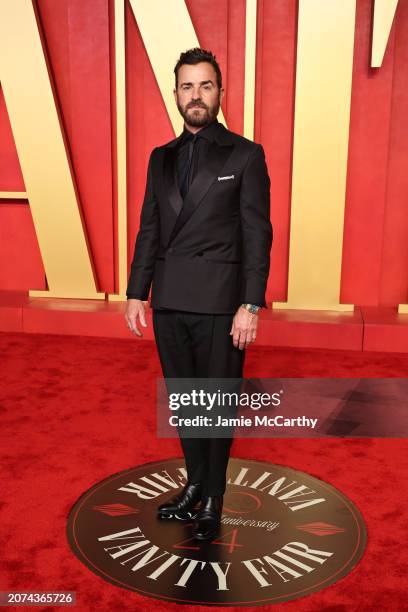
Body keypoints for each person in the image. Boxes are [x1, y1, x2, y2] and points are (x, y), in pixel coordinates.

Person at [125, 47, 272, 541]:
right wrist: (135, 291)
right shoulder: (160, 158)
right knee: (186, 404)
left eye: (205, 86)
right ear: (175, 94)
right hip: (169, 302)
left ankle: (213, 497)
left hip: (220, 304)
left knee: (216, 404)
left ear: (220, 93)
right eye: (187, 86)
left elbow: (258, 234)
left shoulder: (245, 154)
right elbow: (150, 227)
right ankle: (193, 485)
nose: (196, 96)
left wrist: (250, 304)